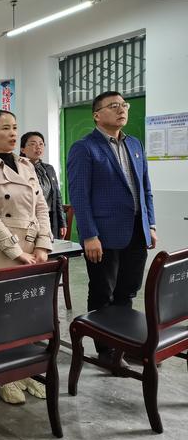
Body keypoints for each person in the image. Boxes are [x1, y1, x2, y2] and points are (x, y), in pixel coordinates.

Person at [67, 91, 156, 366]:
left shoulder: (135, 144)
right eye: (114, 106)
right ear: (97, 114)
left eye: (124, 105)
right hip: (103, 236)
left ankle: (124, 344)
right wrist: (89, 235)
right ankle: (105, 350)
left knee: (127, 292)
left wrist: (150, 223)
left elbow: (145, 189)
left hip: (137, 232)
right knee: (103, 292)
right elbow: (79, 196)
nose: (122, 110)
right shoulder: (85, 148)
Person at [0, 110, 53, 405]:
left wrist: (42, 246)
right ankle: (2, 377)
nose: (12, 133)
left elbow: (41, 209)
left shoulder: (26, 165)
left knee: (24, 317)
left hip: (32, 254)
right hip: (0, 255)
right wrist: (16, 252)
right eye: (5, 128)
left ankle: (23, 372)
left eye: (15, 127)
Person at [20, 132, 67, 239]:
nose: (38, 147)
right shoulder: (18, 169)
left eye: (41, 144)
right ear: (22, 149)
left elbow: (57, 196)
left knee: (51, 251)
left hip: (50, 218)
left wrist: (62, 222)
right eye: (33, 144)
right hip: (28, 220)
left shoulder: (49, 168)